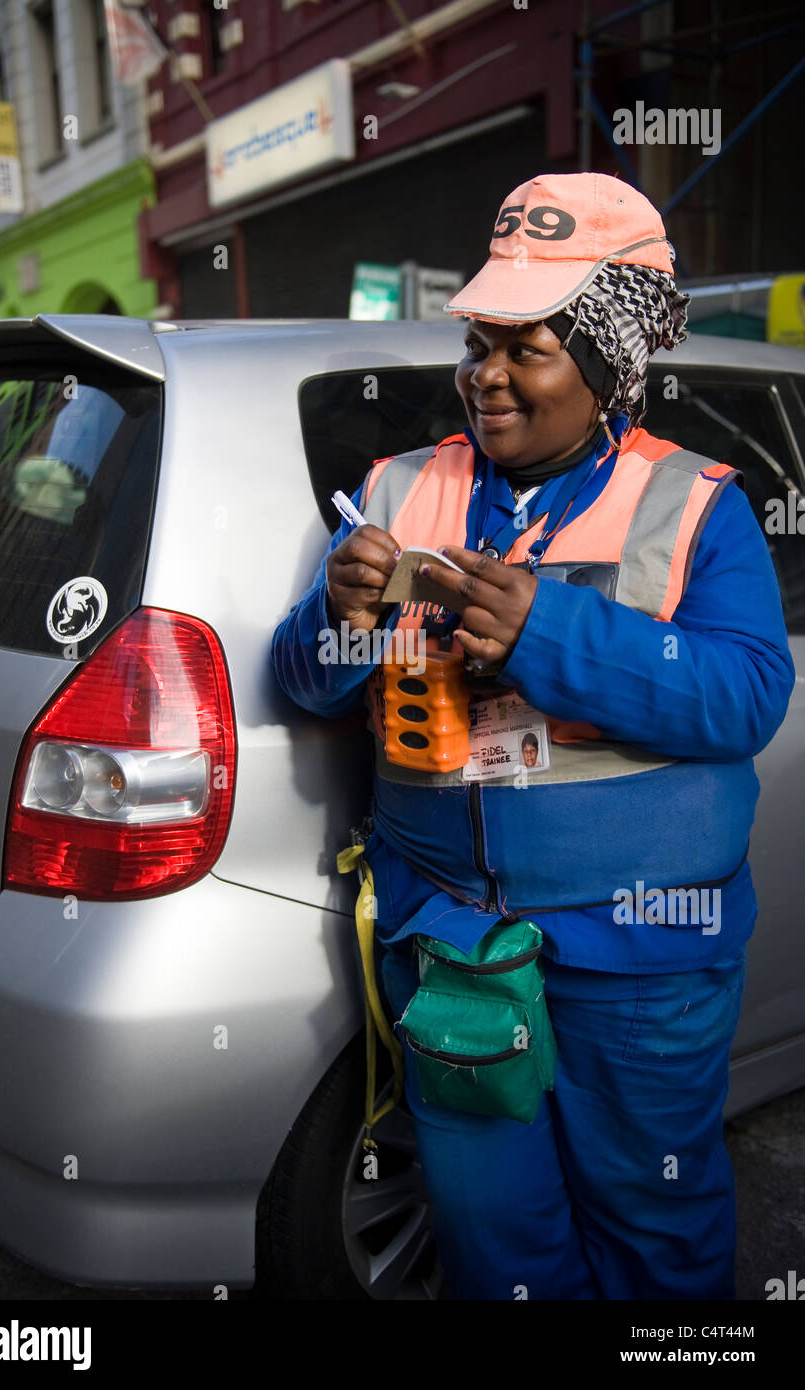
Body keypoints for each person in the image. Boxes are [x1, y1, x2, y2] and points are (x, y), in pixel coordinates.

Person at [271, 172, 795, 1300]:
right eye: (479, 344)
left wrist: (548, 631)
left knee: (651, 1226)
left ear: (609, 360)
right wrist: (338, 619)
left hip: (641, 960)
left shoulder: (695, 503)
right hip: (453, 944)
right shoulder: (398, 487)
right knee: (490, 1233)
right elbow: (307, 682)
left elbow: (746, 694)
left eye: (529, 346)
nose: (487, 377)